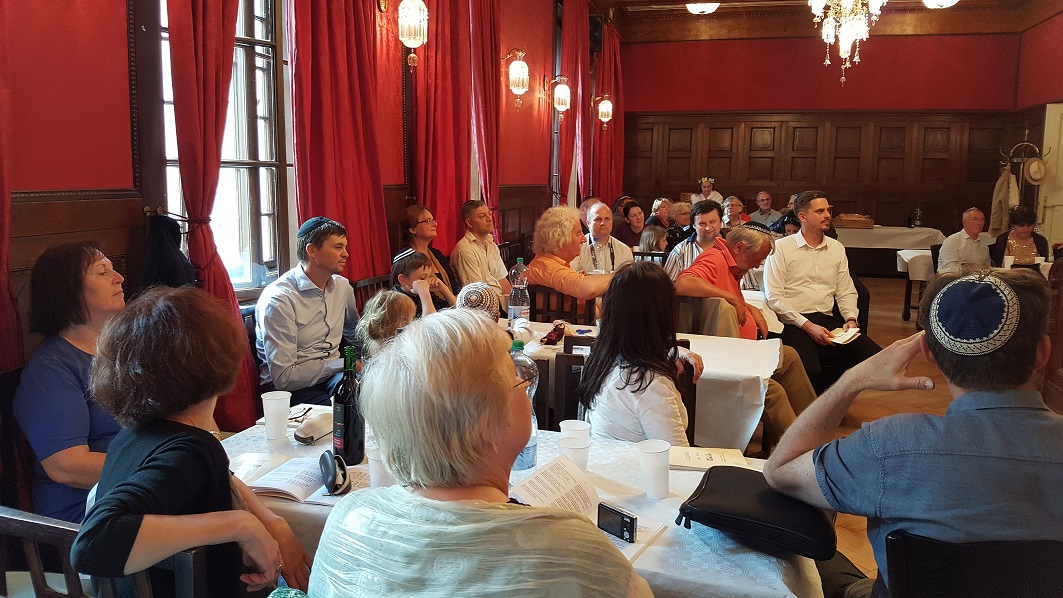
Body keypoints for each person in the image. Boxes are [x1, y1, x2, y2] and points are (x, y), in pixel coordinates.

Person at [308, 309, 653, 597]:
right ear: (485, 422)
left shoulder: (347, 518)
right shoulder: (572, 550)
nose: (526, 386)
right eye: (516, 379)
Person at [764, 269, 1063, 598]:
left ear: (929, 354)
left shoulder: (891, 446)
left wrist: (853, 380)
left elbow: (780, 471)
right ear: (1044, 352)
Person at [72, 286, 311, 596]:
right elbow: (93, 543)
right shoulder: (192, 450)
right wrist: (240, 524)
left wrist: (270, 520)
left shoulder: (132, 435)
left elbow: (214, 475)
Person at [675, 224, 819, 441]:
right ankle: (799, 447)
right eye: (757, 258)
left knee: (789, 356)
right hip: (728, 359)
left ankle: (815, 425)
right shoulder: (714, 258)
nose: (758, 264)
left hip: (743, 350)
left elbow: (725, 296)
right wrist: (732, 298)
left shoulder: (731, 263)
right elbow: (683, 283)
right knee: (773, 390)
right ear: (739, 247)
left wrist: (748, 306)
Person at [13, 242, 124, 523]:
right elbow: (67, 467)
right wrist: (163, 468)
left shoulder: (126, 349)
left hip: (139, 490)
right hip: (84, 513)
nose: (119, 278)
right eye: (102, 272)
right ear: (69, 289)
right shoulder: (50, 369)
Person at [763, 191, 882, 393]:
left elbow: (846, 291)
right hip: (793, 321)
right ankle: (814, 404)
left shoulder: (836, 248)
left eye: (828, 210)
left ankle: (829, 399)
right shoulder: (781, 248)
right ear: (802, 216)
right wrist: (808, 327)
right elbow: (775, 298)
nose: (827, 215)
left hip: (825, 318)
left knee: (874, 357)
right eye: (820, 211)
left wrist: (851, 319)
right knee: (812, 369)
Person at [576, 262, 704, 447]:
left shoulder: (601, 359)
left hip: (603, 458)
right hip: (635, 464)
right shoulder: (649, 384)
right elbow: (676, 456)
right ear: (663, 312)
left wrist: (669, 351)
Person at [256, 217, 359, 405]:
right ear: (312, 250)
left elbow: (354, 333)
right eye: (338, 247)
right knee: (341, 412)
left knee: (372, 395)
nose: (346, 254)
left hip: (334, 375)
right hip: (290, 390)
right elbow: (284, 377)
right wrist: (343, 364)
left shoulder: (343, 287)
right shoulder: (279, 299)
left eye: (345, 247)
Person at [525, 207, 613, 303]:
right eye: (578, 234)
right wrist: (621, 275)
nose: (584, 239)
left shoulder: (550, 264)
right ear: (559, 239)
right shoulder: (546, 267)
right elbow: (587, 289)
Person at [450, 200, 511, 310]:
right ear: (469, 223)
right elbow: (477, 294)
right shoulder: (465, 250)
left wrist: (513, 305)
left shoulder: (491, 244)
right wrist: (504, 305)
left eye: (489, 214)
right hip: (482, 308)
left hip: (500, 304)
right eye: (482, 216)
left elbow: (502, 279)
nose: (489, 219)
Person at [399, 204, 461, 297]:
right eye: (428, 221)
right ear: (412, 229)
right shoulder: (406, 258)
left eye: (433, 220)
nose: (435, 224)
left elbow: (455, 288)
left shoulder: (437, 254)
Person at [664, 200, 724, 281]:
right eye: (702, 224)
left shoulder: (731, 249)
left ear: (721, 222)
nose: (708, 227)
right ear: (693, 225)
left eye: (712, 222)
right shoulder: (680, 251)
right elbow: (668, 285)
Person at [571, 202, 634, 274]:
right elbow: (570, 275)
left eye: (607, 219)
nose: (603, 223)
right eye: (598, 219)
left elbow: (628, 278)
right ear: (588, 223)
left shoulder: (624, 250)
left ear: (612, 222)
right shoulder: (576, 248)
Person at [391, 249, 455, 317]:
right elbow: (430, 322)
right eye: (423, 278)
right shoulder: (396, 303)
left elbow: (458, 313)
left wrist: (444, 289)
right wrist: (424, 294)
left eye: (429, 276)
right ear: (403, 279)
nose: (428, 282)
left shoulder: (422, 292)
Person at [355, 290, 416, 357]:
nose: (414, 320)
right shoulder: (398, 348)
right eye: (413, 316)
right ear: (402, 322)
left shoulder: (376, 341)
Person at [938, 207, 990, 274]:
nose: (979, 223)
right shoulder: (952, 241)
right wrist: (972, 268)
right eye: (975, 219)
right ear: (964, 222)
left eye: (982, 220)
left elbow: (987, 268)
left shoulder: (984, 246)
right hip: (952, 278)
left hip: (976, 278)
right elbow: (949, 268)